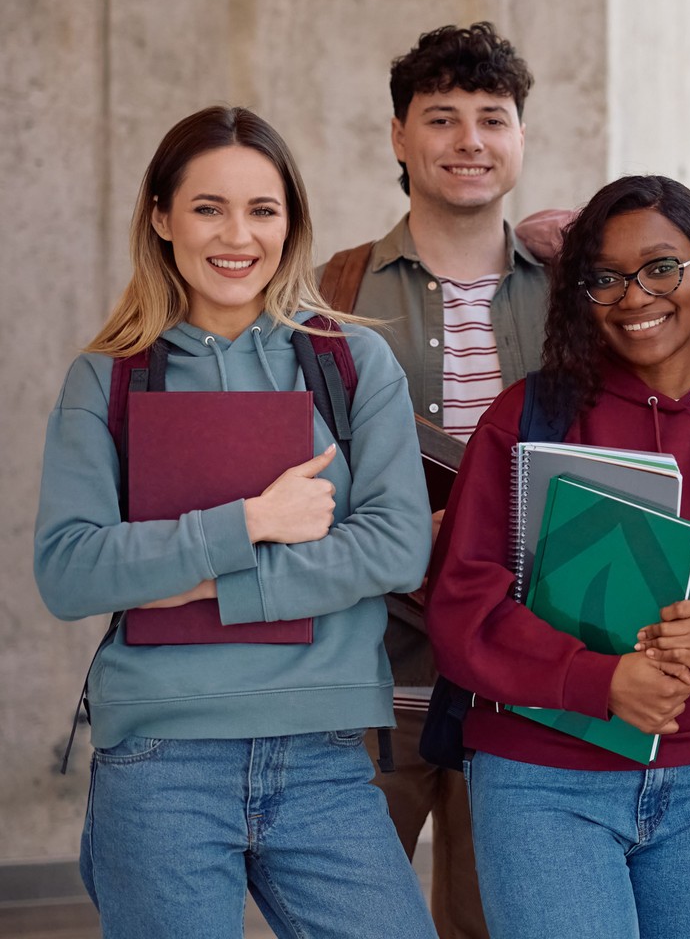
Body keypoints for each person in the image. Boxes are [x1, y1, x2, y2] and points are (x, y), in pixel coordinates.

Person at [35, 105, 435, 938]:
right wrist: (250, 520)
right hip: (160, 761)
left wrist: (209, 583)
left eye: (263, 209)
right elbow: (70, 572)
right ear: (161, 216)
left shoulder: (351, 363)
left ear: (291, 224)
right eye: (208, 207)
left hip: (324, 752)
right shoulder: (107, 378)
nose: (237, 235)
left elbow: (397, 546)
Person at [428, 174, 690, 938]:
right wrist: (602, 680)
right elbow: (462, 603)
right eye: (605, 278)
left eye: (661, 268)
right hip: (541, 781)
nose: (635, 296)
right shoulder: (530, 417)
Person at [318, 21, 549, 938]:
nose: (468, 142)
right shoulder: (331, 290)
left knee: (498, 917)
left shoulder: (574, 291)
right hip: (373, 663)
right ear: (398, 137)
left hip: (521, 656)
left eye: (492, 118)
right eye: (442, 118)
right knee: (346, 916)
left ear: (520, 139)